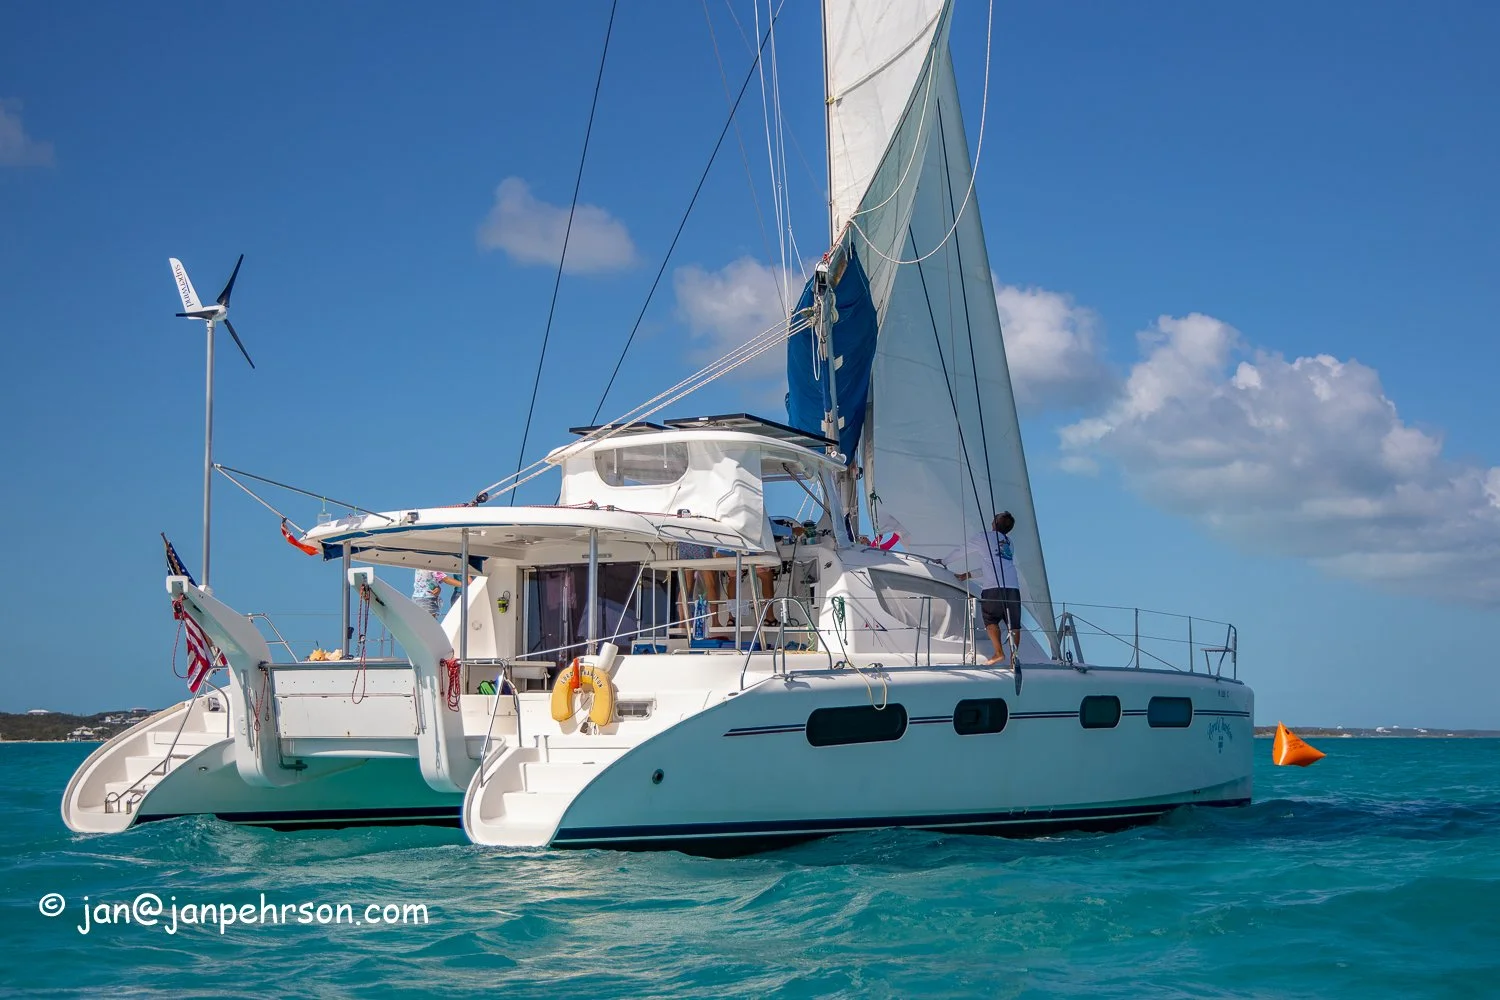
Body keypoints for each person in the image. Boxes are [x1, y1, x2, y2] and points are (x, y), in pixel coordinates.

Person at [943, 511, 1023, 665]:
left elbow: (962, 550)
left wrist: (945, 561)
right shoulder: (1009, 543)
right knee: (1014, 624)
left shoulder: (983, 537)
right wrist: (969, 575)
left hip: (993, 588)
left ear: (996, 522)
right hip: (1013, 588)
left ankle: (999, 654)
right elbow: (993, 565)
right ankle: (1015, 657)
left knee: (990, 619)